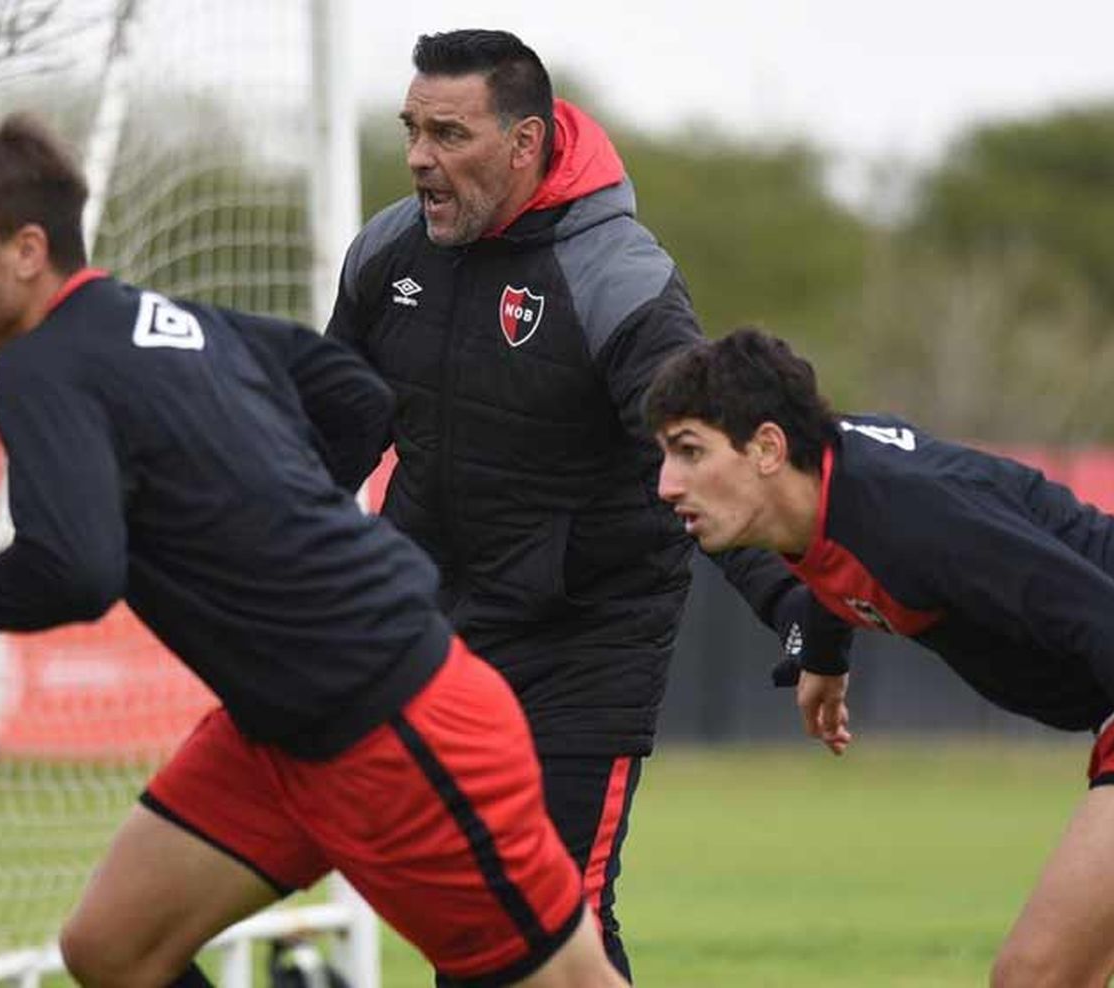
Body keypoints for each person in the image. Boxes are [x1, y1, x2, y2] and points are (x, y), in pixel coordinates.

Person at [0, 115, 632, 988]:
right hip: (273, 737)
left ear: (26, 250)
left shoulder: (39, 366)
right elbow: (355, 396)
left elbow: (76, 572)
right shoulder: (172, 320)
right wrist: (276, 510)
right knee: (113, 949)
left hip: (398, 726)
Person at [325, 30, 841, 980]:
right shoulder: (386, 249)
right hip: (433, 627)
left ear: (525, 144)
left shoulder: (619, 277)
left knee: (558, 917)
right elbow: (332, 437)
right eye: (411, 129)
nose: (418, 159)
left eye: (447, 133)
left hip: (586, 638)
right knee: (471, 915)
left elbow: (706, 461)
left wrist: (792, 604)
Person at [643, 327, 1114, 986]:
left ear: (766, 447)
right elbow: (833, 555)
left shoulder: (913, 517)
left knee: (1036, 976)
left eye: (690, 452)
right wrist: (825, 656)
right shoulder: (828, 484)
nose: (668, 483)